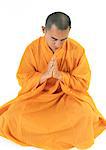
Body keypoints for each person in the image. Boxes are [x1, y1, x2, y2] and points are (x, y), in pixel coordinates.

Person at [0, 11, 106, 150]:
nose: (58, 44)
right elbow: (23, 78)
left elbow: (83, 83)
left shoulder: (77, 50)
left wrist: (60, 75)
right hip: (38, 97)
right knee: (14, 116)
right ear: (44, 30)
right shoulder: (32, 49)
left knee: (85, 115)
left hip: (67, 97)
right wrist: (44, 76)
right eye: (54, 38)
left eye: (63, 39)